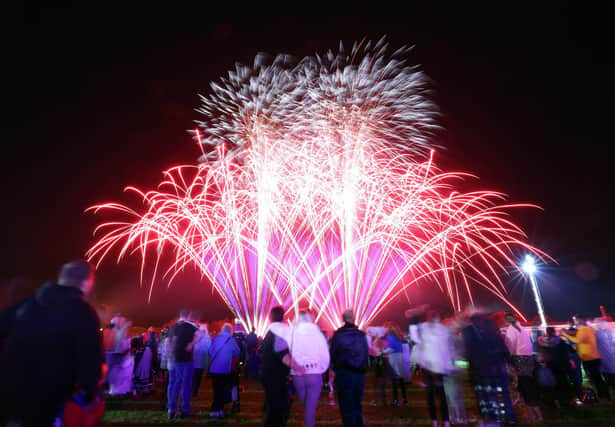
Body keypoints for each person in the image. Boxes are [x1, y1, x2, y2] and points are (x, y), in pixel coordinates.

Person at [0, 259, 104, 427]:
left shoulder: (27, 304)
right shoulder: (83, 311)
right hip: (50, 395)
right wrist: (89, 392)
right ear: (87, 282)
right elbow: (89, 357)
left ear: (61, 278)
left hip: (12, 390)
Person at [461, 307, 517, 425]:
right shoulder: (492, 327)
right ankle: (510, 418)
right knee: (504, 394)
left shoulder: (468, 330)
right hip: (498, 367)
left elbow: (467, 352)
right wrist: (511, 363)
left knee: (487, 397)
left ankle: (493, 419)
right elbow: (503, 347)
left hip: (481, 370)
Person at [289, 310, 330, 427]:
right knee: (309, 409)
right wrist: (321, 369)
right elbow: (325, 354)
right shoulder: (317, 333)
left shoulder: (292, 333)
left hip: (298, 374)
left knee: (307, 407)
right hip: (314, 373)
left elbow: (289, 353)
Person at [329, 309, 369, 427]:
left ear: (343, 319)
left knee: (346, 406)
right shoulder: (361, 335)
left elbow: (333, 353)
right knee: (357, 404)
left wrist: (335, 368)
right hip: (359, 374)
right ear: (354, 318)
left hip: (344, 373)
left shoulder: (338, 335)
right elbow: (365, 353)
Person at [562, 314, 611, 402]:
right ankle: (603, 395)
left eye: (575, 320)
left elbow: (577, 340)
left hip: (590, 358)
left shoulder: (584, 330)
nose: (574, 322)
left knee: (596, 379)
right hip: (591, 357)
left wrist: (565, 335)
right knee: (596, 378)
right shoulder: (586, 329)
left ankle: (604, 396)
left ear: (579, 321)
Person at [503, 312, 542, 421]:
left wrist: (507, 360)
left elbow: (509, 346)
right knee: (528, 385)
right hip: (528, 358)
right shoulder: (522, 328)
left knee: (524, 387)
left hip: (519, 359)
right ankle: (535, 414)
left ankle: (533, 415)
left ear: (506, 321)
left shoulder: (511, 330)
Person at [418, 310, 454, 427]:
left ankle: (438, 421)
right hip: (435, 368)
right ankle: (444, 421)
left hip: (432, 368)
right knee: (438, 395)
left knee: (433, 396)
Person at [262, 305, 292, 427]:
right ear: (283, 317)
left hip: (269, 375)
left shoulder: (270, 333)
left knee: (274, 407)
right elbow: (284, 357)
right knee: (278, 410)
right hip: (276, 377)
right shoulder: (278, 334)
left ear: (270, 318)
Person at [167, 309, 199, 419]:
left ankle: (171, 409)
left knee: (175, 383)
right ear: (188, 316)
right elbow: (200, 334)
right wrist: (191, 344)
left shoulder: (174, 326)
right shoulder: (190, 326)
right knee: (186, 385)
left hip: (176, 358)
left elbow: (172, 341)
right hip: (186, 359)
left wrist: (172, 354)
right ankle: (185, 410)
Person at [208, 322, 240, 418]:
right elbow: (237, 353)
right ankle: (218, 410)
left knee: (217, 390)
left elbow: (210, 352)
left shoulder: (216, 339)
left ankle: (216, 410)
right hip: (225, 369)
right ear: (231, 331)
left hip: (214, 369)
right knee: (223, 390)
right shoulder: (232, 340)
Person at [538, 326, 573, 407]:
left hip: (551, 365)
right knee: (564, 381)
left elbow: (543, 355)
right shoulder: (560, 340)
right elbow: (570, 350)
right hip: (562, 364)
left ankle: (557, 401)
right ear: (554, 332)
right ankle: (568, 400)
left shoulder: (543, 343)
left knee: (555, 383)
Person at [383, 321, 408, 406]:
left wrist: (382, 351)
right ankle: (405, 400)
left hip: (394, 359)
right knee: (401, 381)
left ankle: (396, 401)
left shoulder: (390, 337)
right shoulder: (399, 337)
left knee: (394, 381)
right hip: (401, 358)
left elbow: (391, 348)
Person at [594, 318, 615, 391]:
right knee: (608, 373)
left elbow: (613, 343)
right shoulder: (596, 333)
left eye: (600, 323)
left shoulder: (610, 332)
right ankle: (611, 386)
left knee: (612, 372)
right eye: (597, 324)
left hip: (611, 355)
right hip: (603, 356)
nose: (598, 325)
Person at [193, 323, 211, 397]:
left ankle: (193, 390)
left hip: (194, 361)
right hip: (201, 362)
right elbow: (208, 349)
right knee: (198, 377)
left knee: (194, 377)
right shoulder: (207, 338)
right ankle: (195, 391)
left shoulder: (195, 336)